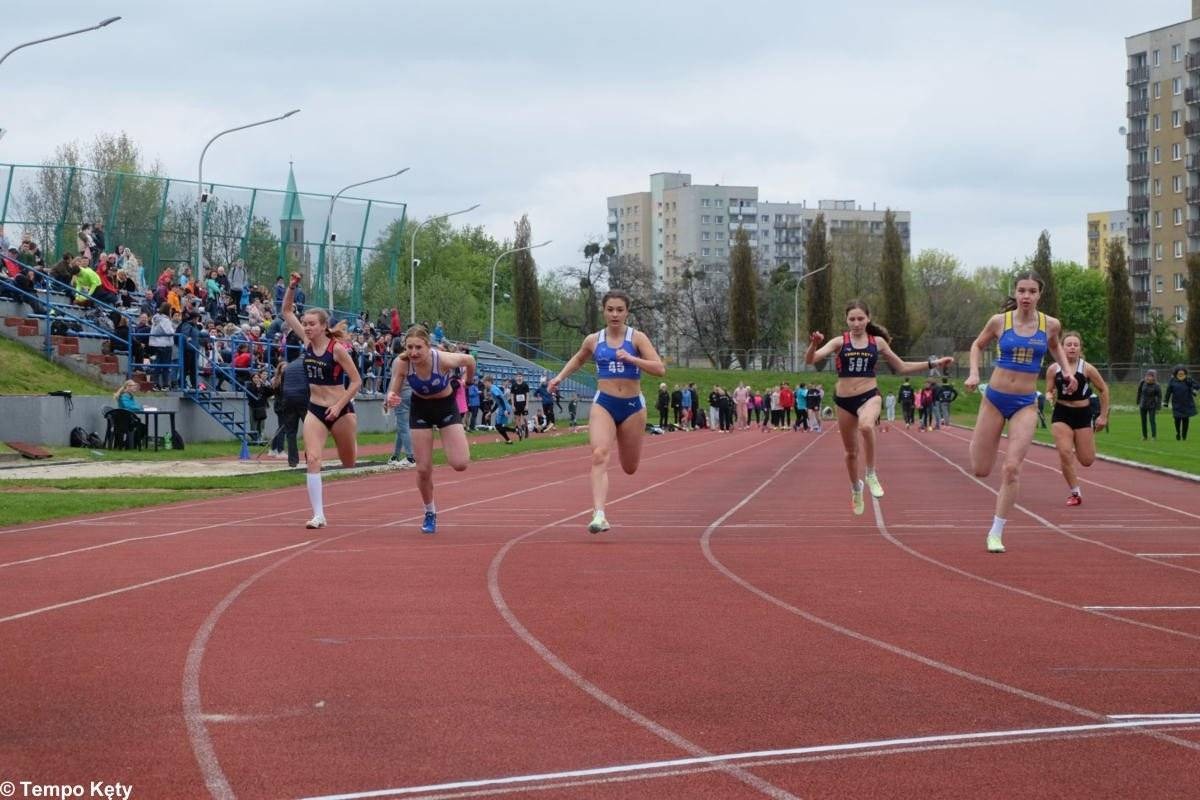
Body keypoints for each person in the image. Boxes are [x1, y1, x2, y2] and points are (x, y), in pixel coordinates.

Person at [806, 299, 953, 515]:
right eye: (852, 319)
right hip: (844, 401)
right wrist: (814, 344)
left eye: (860, 318)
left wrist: (934, 363)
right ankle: (856, 489)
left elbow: (902, 367)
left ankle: (871, 473)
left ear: (868, 318)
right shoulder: (839, 341)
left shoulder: (877, 342)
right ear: (846, 320)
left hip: (869, 395)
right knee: (850, 453)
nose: (856, 323)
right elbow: (811, 360)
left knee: (866, 426)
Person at [964, 274, 1077, 554]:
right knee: (981, 469)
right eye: (1022, 291)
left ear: (1040, 295)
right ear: (1015, 293)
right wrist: (974, 373)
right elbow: (977, 345)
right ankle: (980, 440)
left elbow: (1055, 346)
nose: (1026, 296)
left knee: (1012, 468)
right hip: (994, 399)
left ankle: (996, 532)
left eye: (1032, 291)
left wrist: (1067, 371)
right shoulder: (999, 321)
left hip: (1025, 403)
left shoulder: (1050, 325)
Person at [549, 289, 665, 533]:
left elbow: (659, 369)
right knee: (599, 454)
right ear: (603, 311)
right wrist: (559, 377)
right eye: (610, 309)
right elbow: (578, 359)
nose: (614, 314)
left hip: (632, 407)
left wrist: (633, 359)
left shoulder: (637, 338)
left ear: (627, 312)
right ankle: (599, 514)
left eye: (619, 310)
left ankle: (601, 511)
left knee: (630, 467)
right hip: (604, 403)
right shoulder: (594, 340)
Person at [281, 272, 362, 529]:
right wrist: (292, 287)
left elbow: (356, 381)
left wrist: (338, 406)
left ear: (324, 326)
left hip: (340, 410)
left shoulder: (336, 350)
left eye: (312, 324)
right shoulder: (306, 344)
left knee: (349, 462)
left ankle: (350, 443)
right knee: (313, 459)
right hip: (315, 409)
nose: (306, 327)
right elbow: (286, 311)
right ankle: (318, 515)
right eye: (305, 323)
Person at [384, 325, 475, 534]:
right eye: (410, 347)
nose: (414, 352)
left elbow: (470, 360)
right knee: (423, 469)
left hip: (446, 406)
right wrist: (390, 397)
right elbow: (393, 390)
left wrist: (468, 381)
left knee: (460, 463)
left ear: (428, 346)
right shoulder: (402, 363)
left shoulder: (442, 359)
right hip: (420, 409)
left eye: (418, 347)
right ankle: (430, 511)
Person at [1045, 331, 1109, 507]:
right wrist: (1049, 395)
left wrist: (1103, 416)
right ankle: (1075, 492)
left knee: (1087, 460)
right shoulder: (1053, 369)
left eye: (1075, 345)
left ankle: (1080, 445)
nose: (1072, 348)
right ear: (1062, 348)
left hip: (1083, 414)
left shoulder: (1087, 368)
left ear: (1080, 348)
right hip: (1062, 413)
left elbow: (1103, 390)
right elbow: (1049, 389)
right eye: (1068, 345)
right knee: (1065, 453)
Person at [1165, 365, 1199, 441]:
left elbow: (1197, 386)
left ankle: (1184, 436)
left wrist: (1191, 385)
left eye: (1182, 373)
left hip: (1186, 404)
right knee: (1177, 420)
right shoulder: (1172, 380)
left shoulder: (1188, 379)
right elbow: (1168, 392)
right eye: (1179, 373)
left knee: (1185, 421)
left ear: (1185, 373)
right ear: (1176, 373)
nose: (1181, 374)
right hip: (1176, 404)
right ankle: (1178, 432)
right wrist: (1166, 402)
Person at [1137, 369, 1162, 440]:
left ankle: (1154, 436)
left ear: (1154, 377)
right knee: (1143, 421)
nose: (1149, 377)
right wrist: (1138, 401)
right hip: (1143, 404)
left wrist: (1158, 407)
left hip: (1152, 405)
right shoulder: (1142, 382)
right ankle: (1144, 436)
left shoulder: (1157, 385)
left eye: (1151, 376)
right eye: (1148, 375)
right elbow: (1139, 392)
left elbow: (1159, 396)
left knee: (1152, 420)